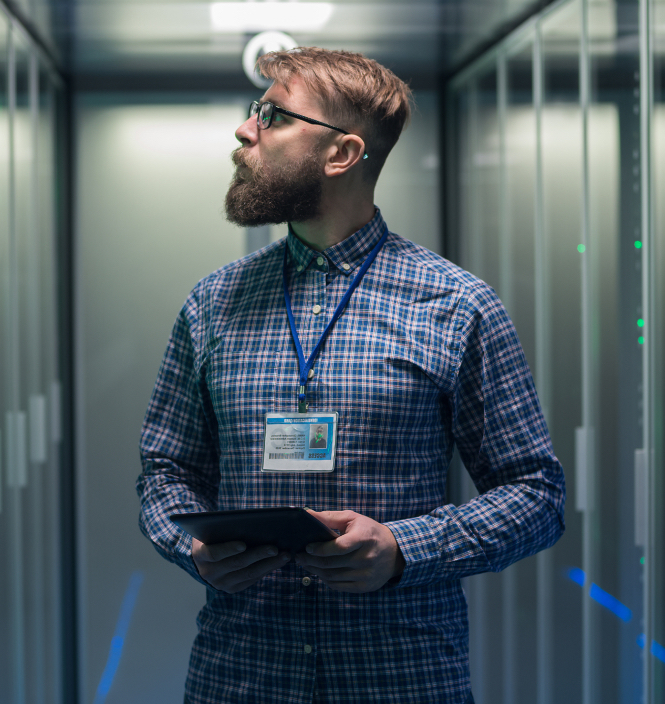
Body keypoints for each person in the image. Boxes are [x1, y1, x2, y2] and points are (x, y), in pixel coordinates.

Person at [137, 47, 565, 704]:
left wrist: (403, 547)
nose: (244, 130)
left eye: (274, 115)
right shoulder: (212, 304)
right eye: (256, 111)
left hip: (399, 675)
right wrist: (187, 544)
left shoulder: (454, 305)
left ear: (341, 155)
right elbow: (164, 471)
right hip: (242, 674)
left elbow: (535, 495)